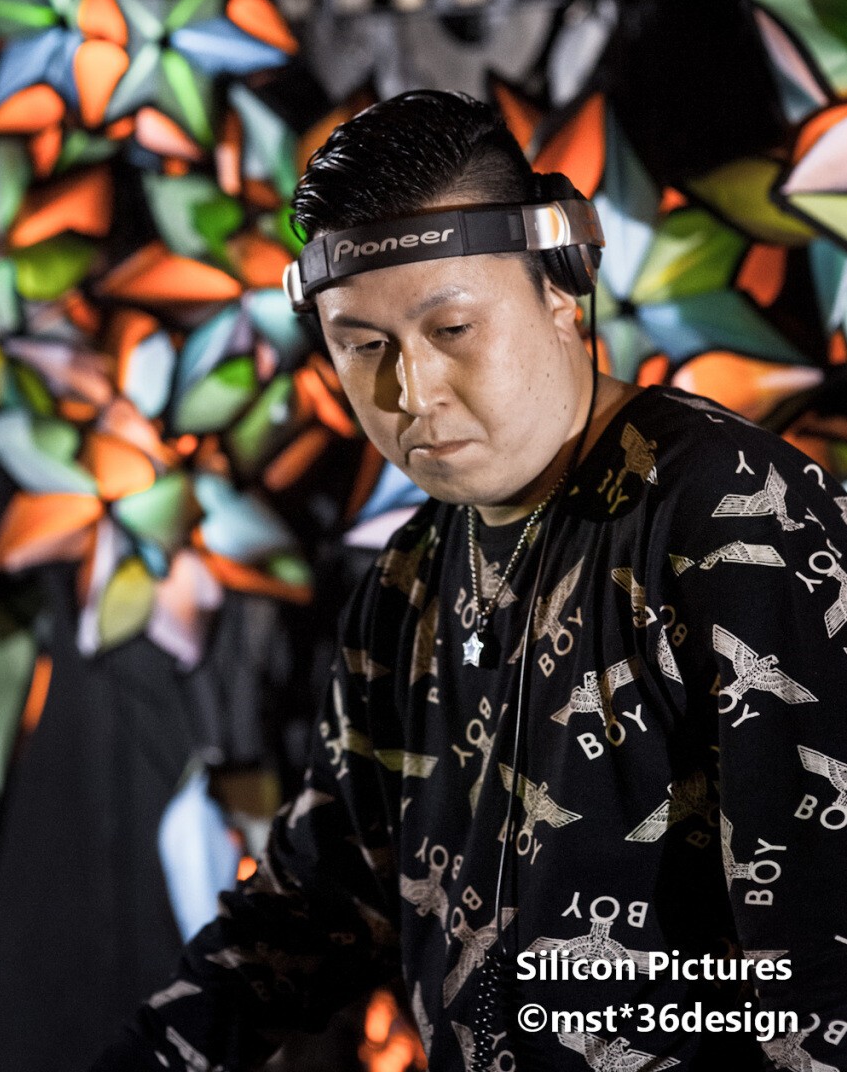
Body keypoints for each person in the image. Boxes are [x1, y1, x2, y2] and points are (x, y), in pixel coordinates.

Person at [91, 90, 847, 1072]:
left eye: (451, 328)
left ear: (562, 291)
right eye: (365, 346)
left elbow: (822, 981)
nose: (413, 391)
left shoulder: (735, 520)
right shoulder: (406, 579)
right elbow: (309, 910)